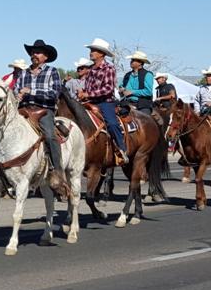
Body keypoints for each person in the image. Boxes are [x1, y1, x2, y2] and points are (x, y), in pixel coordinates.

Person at [13, 39, 70, 195]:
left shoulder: (52, 72)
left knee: (50, 136)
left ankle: (58, 172)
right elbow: (16, 90)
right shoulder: (24, 73)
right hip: (24, 110)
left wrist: (30, 91)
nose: (34, 55)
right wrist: (17, 95)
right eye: (32, 52)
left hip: (44, 110)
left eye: (37, 52)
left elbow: (54, 94)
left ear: (45, 56)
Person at [79, 38, 129, 164]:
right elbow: (87, 87)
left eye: (94, 50)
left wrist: (88, 93)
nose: (91, 52)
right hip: (89, 101)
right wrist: (82, 94)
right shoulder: (90, 69)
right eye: (91, 50)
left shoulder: (109, 68)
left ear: (101, 54)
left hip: (105, 102)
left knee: (112, 123)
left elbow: (108, 89)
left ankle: (121, 149)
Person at [119, 51, 155, 115]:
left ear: (140, 63)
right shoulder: (127, 75)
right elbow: (122, 87)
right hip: (127, 103)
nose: (131, 62)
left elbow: (148, 91)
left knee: (144, 121)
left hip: (142, 105)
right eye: (131, 60)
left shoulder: (147, 74)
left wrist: (132, 92)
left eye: (133, 60)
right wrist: (121, 90)